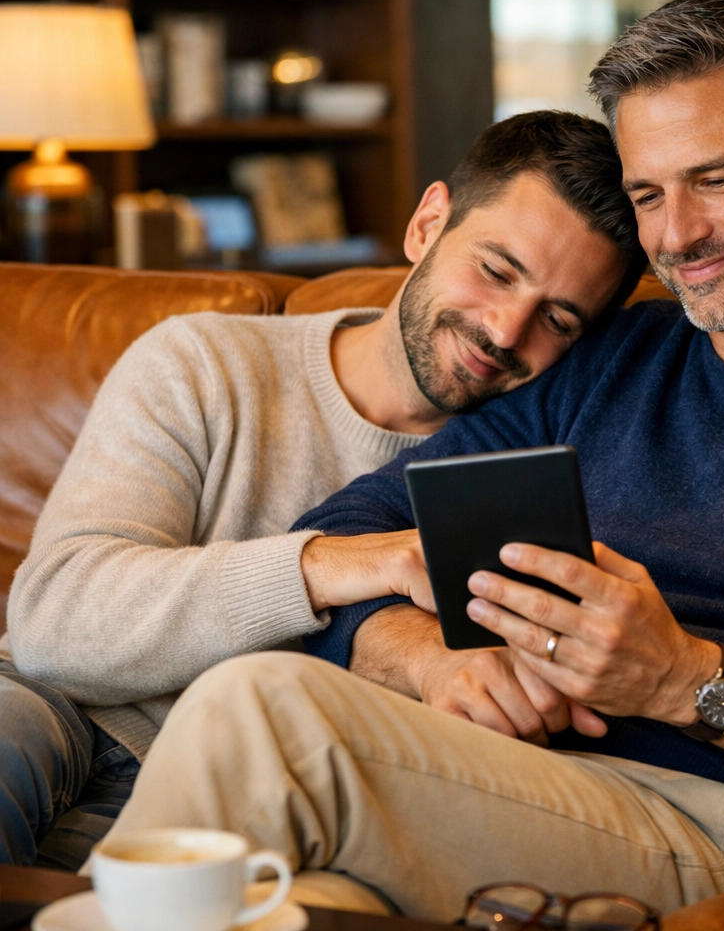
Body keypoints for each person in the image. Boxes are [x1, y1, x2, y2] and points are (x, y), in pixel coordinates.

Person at [104, 0, 724, 920]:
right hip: (509, 779)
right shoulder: (611, 358)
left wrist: (686, 682)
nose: (677, 235)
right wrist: (429, 661)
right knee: (298, 902)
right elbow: (351, 535)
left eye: (715, 179)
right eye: (648, 195)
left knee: (256, 708)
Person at [0, 110, 647, 869]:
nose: (506, 330)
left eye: (558, 319)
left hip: (259, 778)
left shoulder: (548, 465)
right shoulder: (203, 362)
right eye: (497, 271)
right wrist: (336, 564)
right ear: (427, 224)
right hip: (56, 711)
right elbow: (52, 627)